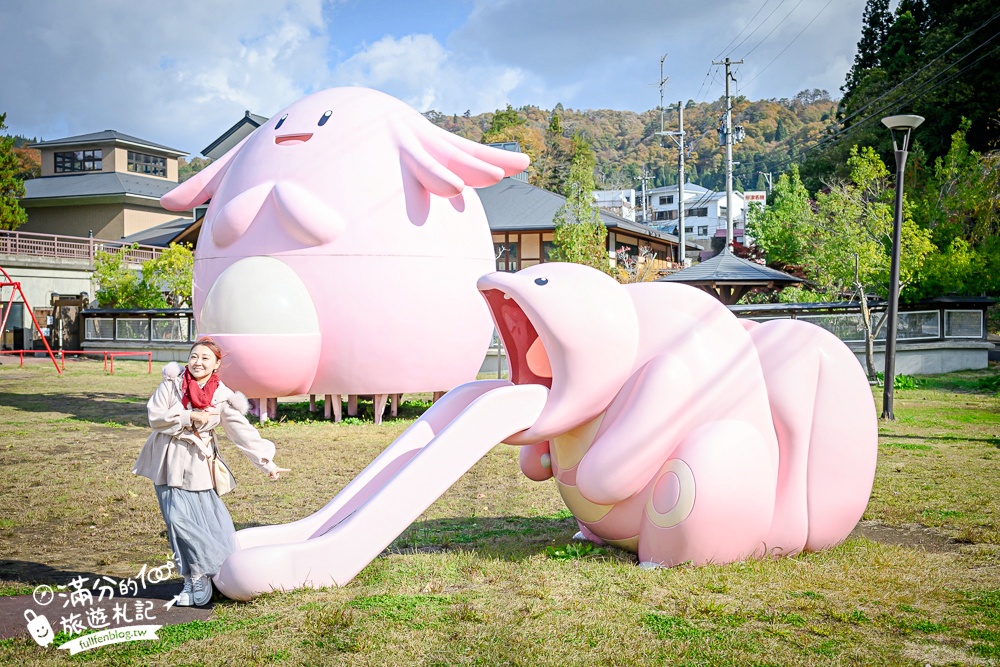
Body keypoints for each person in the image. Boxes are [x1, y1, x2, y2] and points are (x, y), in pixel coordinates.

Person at [133, 338, 290, 606]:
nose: (198, 362)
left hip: (197, 463)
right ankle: (192, 576)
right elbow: (155, 416)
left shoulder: (222, 396)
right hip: (168, 460)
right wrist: (188, 417)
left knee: (201, 522)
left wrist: (267, 463)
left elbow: (241, 432)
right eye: (194, 356)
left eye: (206, 358)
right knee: (177, 522)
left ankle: (203, 574)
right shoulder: (172, 382)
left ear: (217, 364)